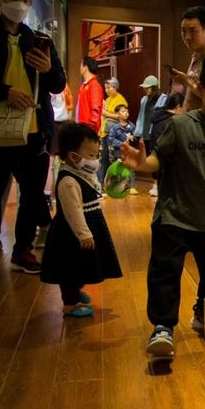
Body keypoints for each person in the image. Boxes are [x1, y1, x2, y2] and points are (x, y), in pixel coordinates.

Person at [120, 51, 205, 361]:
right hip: (172, 218)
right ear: (200, 89)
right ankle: (163, 327)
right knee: (164, 275)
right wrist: (141, 163)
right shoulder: (180, 125)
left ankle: (202, 313)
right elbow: (158, 160)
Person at [0, 0, 67, 274]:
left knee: (33, 194)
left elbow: (58, 84)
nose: (19, 4)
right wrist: (4, 91)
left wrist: (46, 70)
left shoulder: (37, 39)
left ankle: (23, 250)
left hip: (35, 131)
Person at [40, 123, 121, 316]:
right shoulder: (68, 180)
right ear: (73, 156)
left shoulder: (82, 172)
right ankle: (70, 303)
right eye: (91, 156)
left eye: (96, 154)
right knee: (70, 267)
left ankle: (76, 292)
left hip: (87, 225)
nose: (95, 160)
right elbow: (73, 211)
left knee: (84, 263)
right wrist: (83, 234)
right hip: (71, 233)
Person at [171, 6, 205, 112]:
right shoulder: (196, 56)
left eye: (193, 31)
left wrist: (186, 81)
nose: (187, 37)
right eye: (183, 31)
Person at [132, 74, 166, 194]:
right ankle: (154, 183)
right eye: (145, 87)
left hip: (157, 133)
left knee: (158, 158)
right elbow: (141, 117)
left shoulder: (163, 99)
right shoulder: (144, 99)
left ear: (155, 87)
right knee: (149, 159)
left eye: (148, 87)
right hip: (146, 134)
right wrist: (138, 132)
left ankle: (159, 184)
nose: (145, 90)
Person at [147, 92, 185, 197]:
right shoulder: (172, 121)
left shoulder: (158, 118)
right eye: (184, 108)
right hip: (168, 163)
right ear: (178, 107)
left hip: (158, 161)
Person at [98, 76, 127, 183]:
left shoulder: (121, 99)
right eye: (106, 88)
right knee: (104, 157)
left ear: (115, 87)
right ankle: (103, 182)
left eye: (109, 87)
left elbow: (121, 116)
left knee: (114, 157)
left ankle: (115, 181)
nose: (107, 90)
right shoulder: (108, 99)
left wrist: (106, 113)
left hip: (115, 133)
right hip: (105, 131)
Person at [106, 104, 137, 193]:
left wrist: (133, 138)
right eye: (123, 111)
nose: (126, 113)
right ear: (117, 113)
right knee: (118, 169)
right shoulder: (114, 127)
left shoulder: (131, 126)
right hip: (118, 152)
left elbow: (136, 137)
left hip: (129, 152)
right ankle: (116, 186)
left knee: (131, 168)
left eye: (127, 112)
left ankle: (131, 186)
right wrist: (122, 144)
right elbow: (111, 139)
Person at [76, 56, 103, 134]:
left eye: (81, 65)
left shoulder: (94, 85)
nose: (80, 68)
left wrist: (90, 129)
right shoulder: (84, 85)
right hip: (82, 128)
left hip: (87, 130)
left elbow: (96, 109)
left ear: (85, 67)